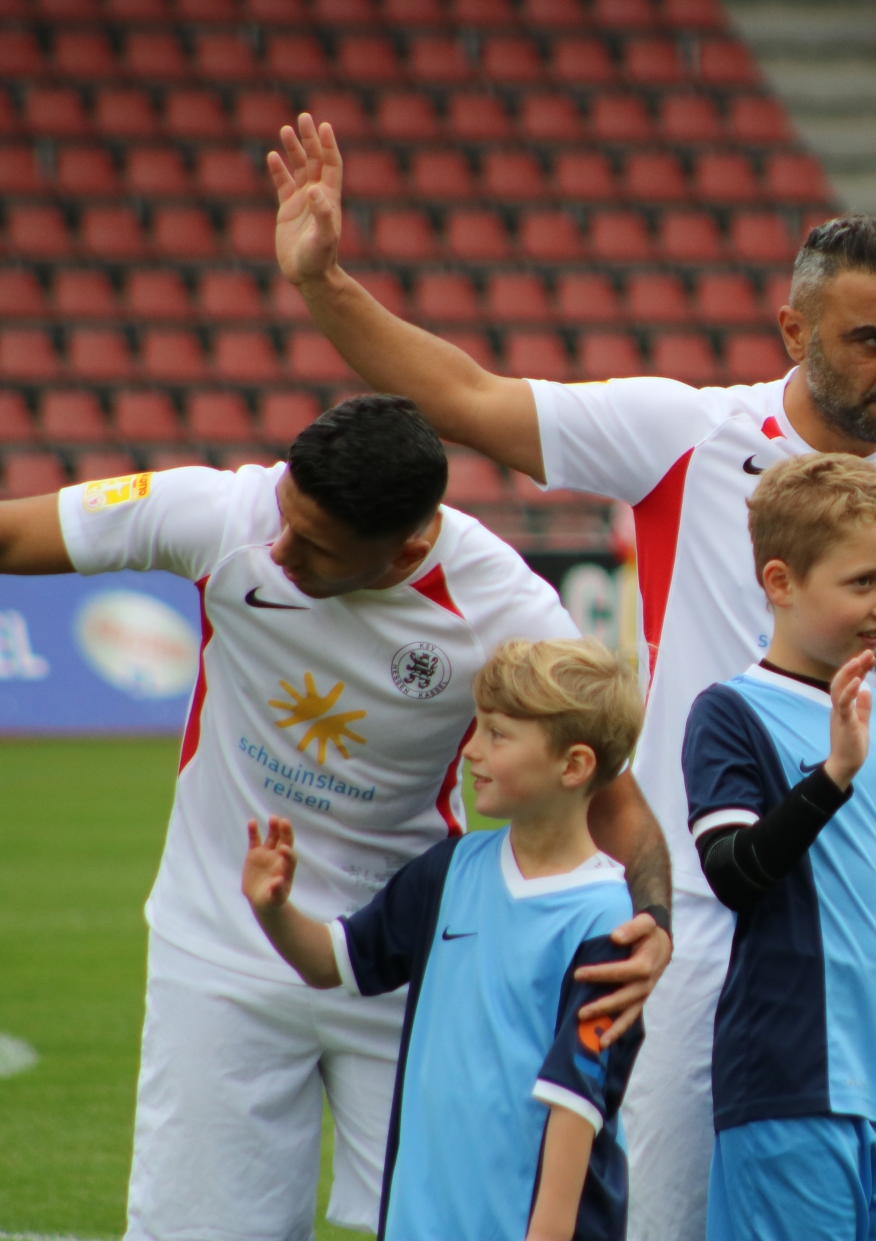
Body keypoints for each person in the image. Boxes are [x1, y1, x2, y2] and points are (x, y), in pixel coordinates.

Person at [266, 114, 876, 1239]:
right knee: (669, 1215)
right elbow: (469, 396)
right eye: (874, 340)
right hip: (708, 910)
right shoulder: (686, 434)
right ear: (794, 328)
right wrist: (326, 280)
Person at [0, 395, 672, 1240]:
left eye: (315, 547)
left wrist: (654, 919)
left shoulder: (501, 605)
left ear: (412, 545)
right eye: (286, 519)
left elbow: (610, 791)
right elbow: (14, 533)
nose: (279, 552)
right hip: (220, 946)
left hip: (406, 958)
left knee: (456, 1221)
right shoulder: (220, 513)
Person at [242, 638, 652, 1241]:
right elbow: (334, 962)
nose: (473, 751)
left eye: (498, 734)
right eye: (476, 728)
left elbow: (576, 1101)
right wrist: (275, 910)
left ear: (574, 766)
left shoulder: (608, 918)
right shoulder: (447, 870)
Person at [678, 454, 876, 1241]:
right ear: (780, 581)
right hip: (790, 1083)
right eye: (862, 582)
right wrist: (833, 775)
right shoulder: (730, 713)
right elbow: (734, 875)